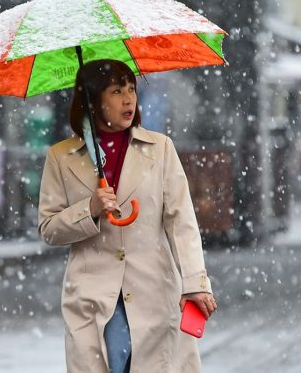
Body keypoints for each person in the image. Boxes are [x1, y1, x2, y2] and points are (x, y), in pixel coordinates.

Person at [38, 59, 217, 372]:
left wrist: (195, 282)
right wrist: (89, 210)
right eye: (116, 91)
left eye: (132, 89)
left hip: (153, 289)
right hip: (93, 294)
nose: (129, 99)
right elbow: (49, 229)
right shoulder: (61, 157)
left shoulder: (160, 149)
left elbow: (181, 222)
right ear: (93, 101)